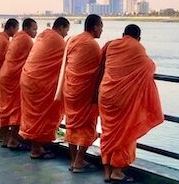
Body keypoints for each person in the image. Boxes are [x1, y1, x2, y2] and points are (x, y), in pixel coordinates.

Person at [99, 24, 164, 183]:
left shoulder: (111, 44)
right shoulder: (137, 47)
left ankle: (107, 172)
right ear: (139, 38)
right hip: (123, 99)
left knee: (108, 133)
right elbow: (149, 67)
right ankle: (117, 171)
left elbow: (101, 64)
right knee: (125, 133)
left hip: (106, 95)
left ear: (123, 34)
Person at [19, 17, 70, 158]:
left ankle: (37, 147)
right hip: (39, 84)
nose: (66, 34)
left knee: (34, 115)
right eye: (66, 30)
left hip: (29, 79)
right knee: (43, 115)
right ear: (60, 27)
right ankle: (36, 149)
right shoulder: (58, 41)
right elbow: (70, 61)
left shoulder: (43, 36)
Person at [63, 14, 103, 172]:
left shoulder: (73, 40)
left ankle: (73, 160)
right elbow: (100, 70)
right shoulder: (93, 45)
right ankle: (79, 160)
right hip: (85, 93)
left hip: (70, 89)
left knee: (71, 124)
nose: (102, 29)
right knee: (87, 125)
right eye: (101, 26)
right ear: (94, 27)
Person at [0, 18, 37, 149]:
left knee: (4, 107)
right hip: (13, 78)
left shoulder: (16, 37)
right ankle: (13, 140)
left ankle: (4, 138)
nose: (35, 32)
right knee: (16, 109)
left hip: (4, 75)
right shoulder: (26, 39)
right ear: (26, 28)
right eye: (34, 29)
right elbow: (35, 57)